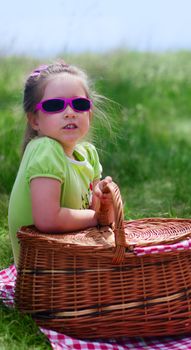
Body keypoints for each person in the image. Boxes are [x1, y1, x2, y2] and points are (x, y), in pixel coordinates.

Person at [8, 61, 114, 266]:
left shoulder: (88, 154)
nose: (70, 112)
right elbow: (48, 220)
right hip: (44, 272)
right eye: (55, 106)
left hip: (71, 261)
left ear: (89, 114)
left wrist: (106, 203)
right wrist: (96, 217)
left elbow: (102, 219)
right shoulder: (46, 150)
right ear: (34, 120)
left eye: (79, 104)